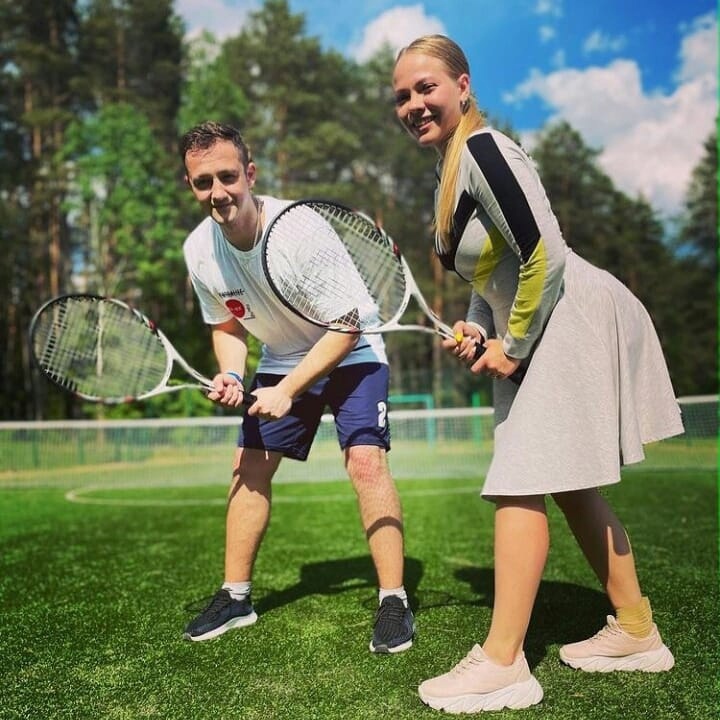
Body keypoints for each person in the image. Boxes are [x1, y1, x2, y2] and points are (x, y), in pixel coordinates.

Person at [392, 35, 684, 711]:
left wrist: (515, 345)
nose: (413, 104)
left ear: (463, 85)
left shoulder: (483, 150)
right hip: (540, 321)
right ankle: (637, 631)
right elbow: (491, 271)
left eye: (426, 87)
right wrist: (479, 327)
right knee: (570, 484)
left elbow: (544, 253)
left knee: (519, 482)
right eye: (402, 96)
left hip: (568, 315)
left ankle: (504, 663)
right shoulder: (451, 170)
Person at [178, 121, 415, 654]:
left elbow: (347, 325)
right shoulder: (199, 250)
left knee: (365, 462)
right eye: (203, 182)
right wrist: (232, 375)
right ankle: (235, 597)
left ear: (250, 173)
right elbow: (227, 324)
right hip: (282, 355)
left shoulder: (299, 230)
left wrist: (288, 389)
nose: (218, 192)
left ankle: (393, 599)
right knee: (249, 467)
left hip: (351, 348)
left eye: (227, 176)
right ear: (190, 185)